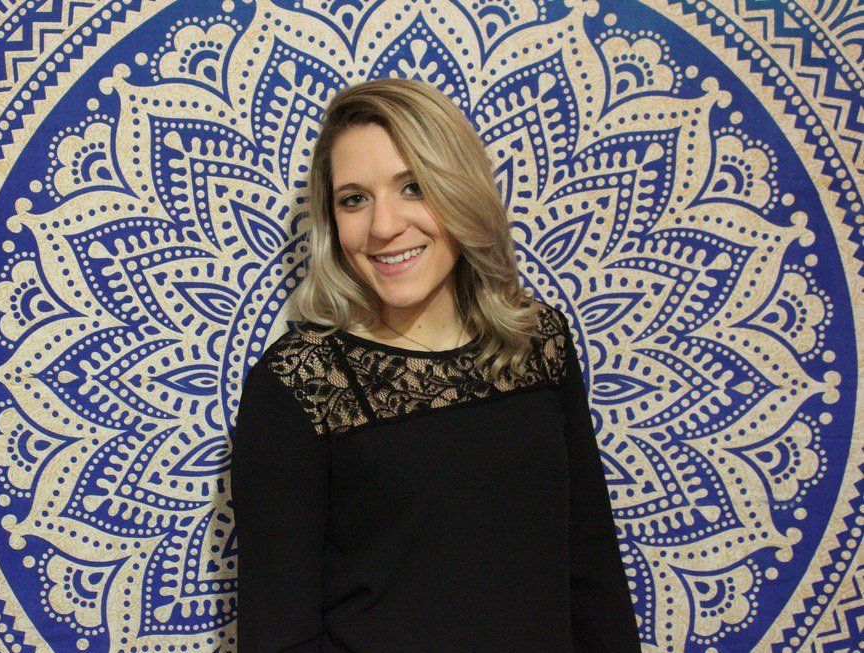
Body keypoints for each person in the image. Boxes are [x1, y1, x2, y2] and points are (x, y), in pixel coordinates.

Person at [229, 77, 641, 652]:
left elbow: (592, 567)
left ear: (461, 189)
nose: (383, 226)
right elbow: (280, 632)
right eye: (354, 199)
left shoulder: (536, 342)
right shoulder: (300, 384)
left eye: (413, 187)